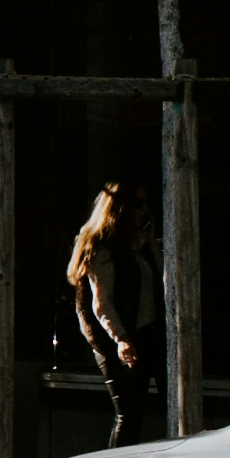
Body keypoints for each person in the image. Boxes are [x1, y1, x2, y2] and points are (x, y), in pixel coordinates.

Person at [65, 178, 143, 431]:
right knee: (127, 414)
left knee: (132, 413)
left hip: (131, 332)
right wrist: (121, 337)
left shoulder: (131, 245)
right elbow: (102, 302)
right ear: (121, 209)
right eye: (138, 204)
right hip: (111, 337)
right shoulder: (102, 248)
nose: (144, 211)